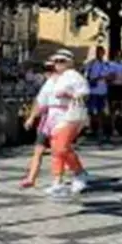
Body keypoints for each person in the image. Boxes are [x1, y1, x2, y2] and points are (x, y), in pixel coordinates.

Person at [45, 49, 91, 197]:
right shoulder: (59, 77)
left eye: (61, 61)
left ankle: (79, 172)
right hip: (56, 117)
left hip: (71, 115)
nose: (58, 64)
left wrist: (69, 95)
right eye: (56, 61)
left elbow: (85, 93)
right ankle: (57, 180)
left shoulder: (73, 75)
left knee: (62, 147)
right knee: (56, 149)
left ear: (70, 62)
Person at [20, 60, 57, 188]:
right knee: (38, 150)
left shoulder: (63, 84)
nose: (48, 73)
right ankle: (31, 178)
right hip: (46, 123)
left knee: (61, 152)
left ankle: (68, 176)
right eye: (46, 70)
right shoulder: (45, 86)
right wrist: (31, 118)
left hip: (59, 123)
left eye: (51, 70)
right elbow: (38, 103)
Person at [83, 45, 110, 140]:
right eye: (98, 52)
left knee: (101, 111)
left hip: (102, 90)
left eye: (102, 52)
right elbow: (86, 75)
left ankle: (100, 129)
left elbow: (109, 76)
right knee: (91, 110)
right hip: (93, 90)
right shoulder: (91, 63)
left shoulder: (106, 64)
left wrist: (107, 78)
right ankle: (91, 127)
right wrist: (93, 80)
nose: (100, 54)